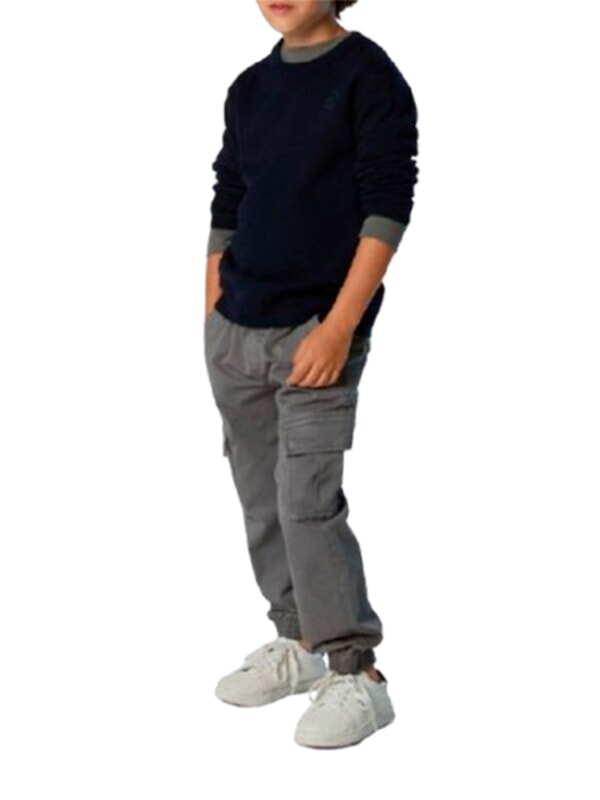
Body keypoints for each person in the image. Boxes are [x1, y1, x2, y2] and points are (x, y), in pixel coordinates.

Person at [203, 0, 418, 748]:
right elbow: (229, 195)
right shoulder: (249, 88)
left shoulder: (368, 76)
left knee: (307, 504)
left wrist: (339, 325)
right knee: (262, 501)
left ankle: (358, 673)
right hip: (237, 330)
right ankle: (297, 639)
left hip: (316, 331)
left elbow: (388, 204)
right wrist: (213, 309)